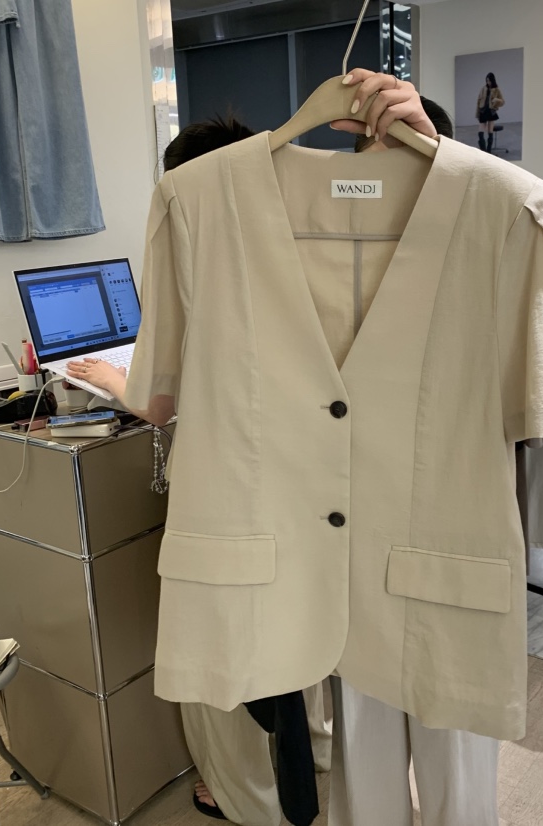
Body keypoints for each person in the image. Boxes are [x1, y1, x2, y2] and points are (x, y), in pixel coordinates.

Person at [64, 68, 445, 826]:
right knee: (311, 651)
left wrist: (113, 378)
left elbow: (162, 402)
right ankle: (319, 769)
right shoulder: (320, 243)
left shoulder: (196, 238)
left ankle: (243, 797)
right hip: (322, 503)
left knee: (227, 664)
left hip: (234, 505)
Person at [476, 72, 504, 153]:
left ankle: (488, 151)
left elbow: (502, 101)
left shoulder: (497, 90)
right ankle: (483, 150)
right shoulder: (483, 88)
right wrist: (477, 113)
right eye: (487, 81)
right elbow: (478, 101)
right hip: (483, 111)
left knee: (490, 132)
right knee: (480, 133)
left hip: (491, 112)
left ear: (492, 80)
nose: (488, 82)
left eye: (489, 81)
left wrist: (497, 100)